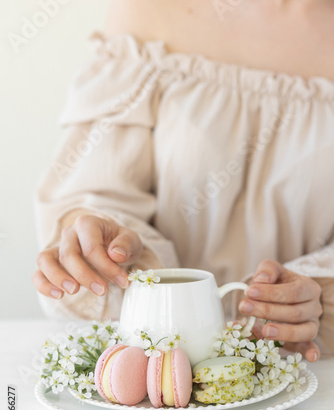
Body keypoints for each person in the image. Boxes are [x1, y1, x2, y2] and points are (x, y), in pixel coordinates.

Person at [32, 0, 334, 363]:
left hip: (308, 381)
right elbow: (97, 192)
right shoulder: (151, 12)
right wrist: (103, 246)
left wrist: (317, 291)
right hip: (152, 372)